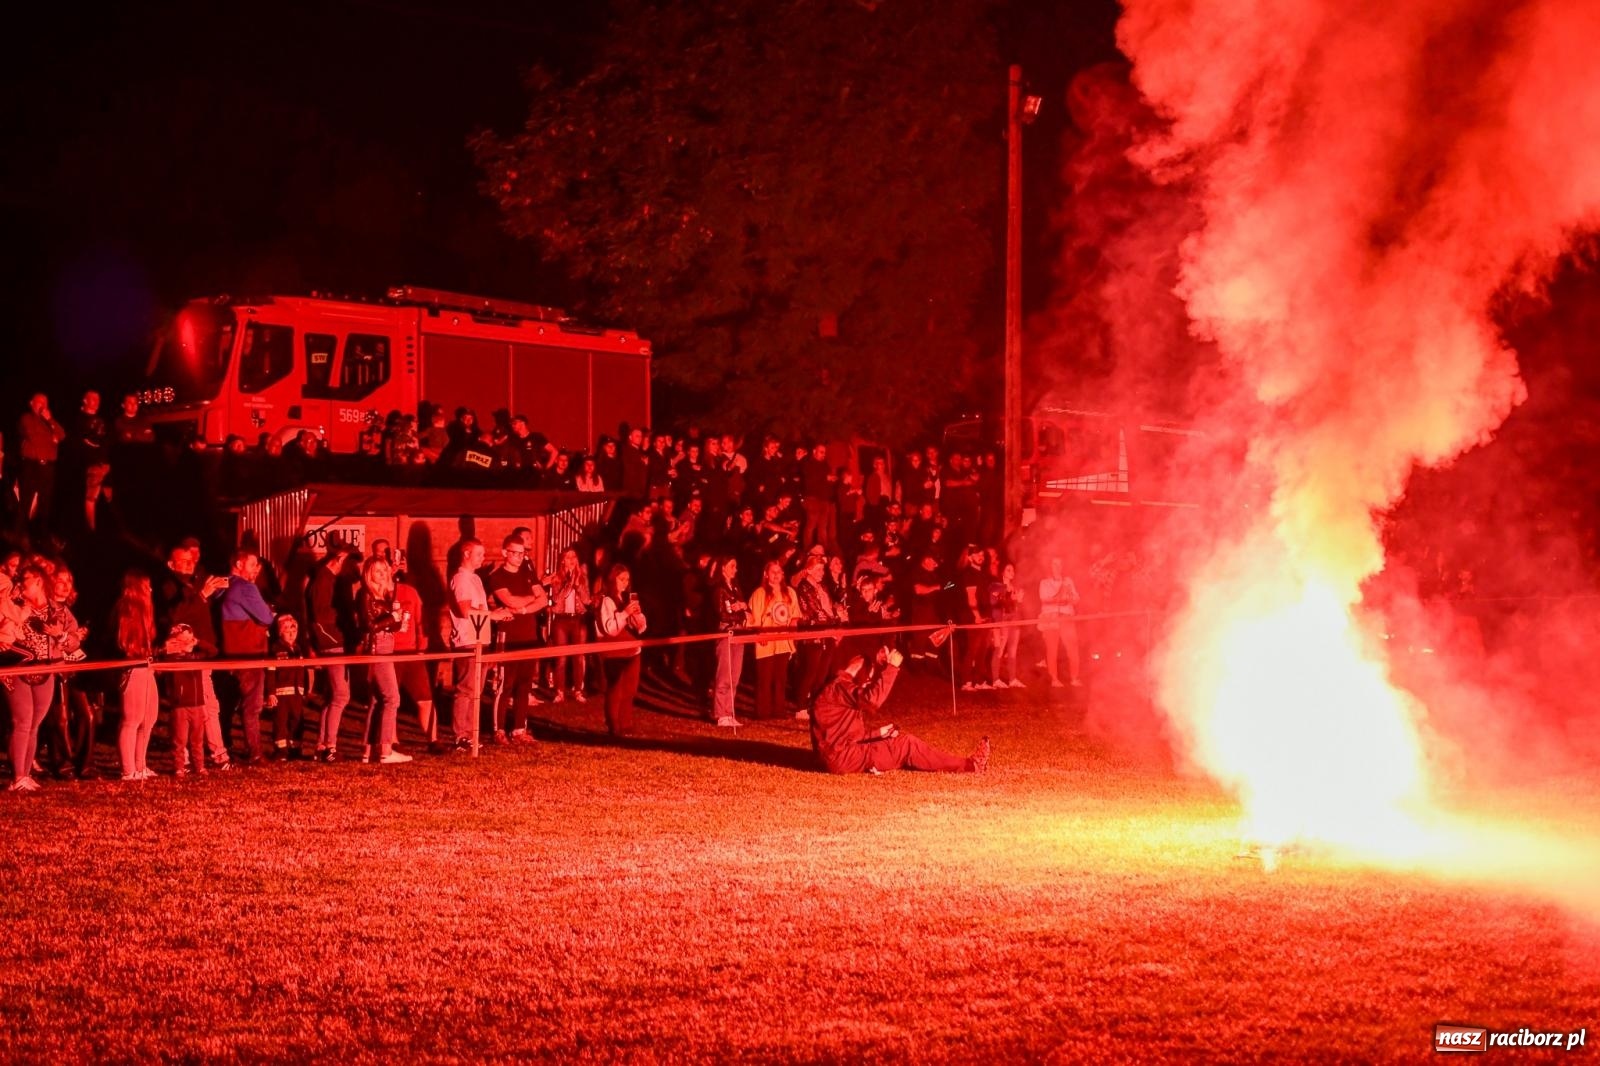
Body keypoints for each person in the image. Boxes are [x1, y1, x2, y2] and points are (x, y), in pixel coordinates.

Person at [810, 647, 989, 775]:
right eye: (868, 680)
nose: (866, 684)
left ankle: (967, 764)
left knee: (895, 741)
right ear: (859, 673)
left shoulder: (834, 688)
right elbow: (872, 700)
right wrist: (892, 668)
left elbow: (843, 737)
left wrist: (878, 734)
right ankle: (970, 765)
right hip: (844, 759)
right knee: (907, 744)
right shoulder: (840, 688)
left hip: (836, 757)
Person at [158, 538, 233, 770]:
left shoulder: (190, 583)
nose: (189, 564)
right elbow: (175, 616)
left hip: (200, 651)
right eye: (183, 561)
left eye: (191, 560)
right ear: (171, 564)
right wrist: (202, 596)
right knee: (198, 707)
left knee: (203, 707)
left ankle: (194, 756)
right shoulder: (169, 586)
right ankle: (213, 755)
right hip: (184, 656)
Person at [4, 566, 79, 792]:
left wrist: (60, 635)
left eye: (24, 579)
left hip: (46, 670)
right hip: (17, 669)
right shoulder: (12, 605)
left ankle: (25, 775)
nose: (20, 582)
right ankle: (18, 776)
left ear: (38, 581)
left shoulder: (58, 610)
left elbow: (74, 641)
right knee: (22, 721)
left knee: (34, 724)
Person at [449, 538, 513, 751]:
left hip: (480, 639)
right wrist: (492, 615)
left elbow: (479, 608)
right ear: (466, 554)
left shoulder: (475, 579)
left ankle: (471, 733)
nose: (482, 558)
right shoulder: (460, 579)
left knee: (475, 690)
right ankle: (461, 735)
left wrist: (495, 612)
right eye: (479, 554)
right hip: (467, 640)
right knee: (466, 689)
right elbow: (465, 610)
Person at [485, 535, 546, 745]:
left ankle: (519, 729)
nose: (520, 557)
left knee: (524, 685)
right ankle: (499, 729)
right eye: (515, 553)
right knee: (505, 684)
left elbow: (543, 600)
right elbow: (509, 600)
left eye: (523, 553)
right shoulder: (497, 576)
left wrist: (524, 609)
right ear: (505, 553)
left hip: (529, 636)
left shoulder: (528, 572)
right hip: (508, 636)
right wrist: (531, 599)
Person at [219, 550, 275, 763]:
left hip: (229, 652)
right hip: (249, 652)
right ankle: (255, 752)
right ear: (239, 564)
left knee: (228, 704)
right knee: (252, 706)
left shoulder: (223, 586)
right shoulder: (245, 587)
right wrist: (268, 611)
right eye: (253, 565)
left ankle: (224, 746)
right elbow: (266, 618)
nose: (256, 570)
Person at [357, 557, 412, 764]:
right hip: (377, 647)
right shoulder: (366, 594)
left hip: (385, 644)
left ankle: (368, 750)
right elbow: (369, 625)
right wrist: (392, 618)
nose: (382, 574)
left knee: (377, 700)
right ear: (368, 573)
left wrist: (398, 622)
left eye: (384, 570)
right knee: (392, 698)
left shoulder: (383, 595)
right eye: (377, 570)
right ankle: (386, 750)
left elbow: (387, 624)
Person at [306, 541, 355, 761]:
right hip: (331, 640)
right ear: (340, 558)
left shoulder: (328, 579)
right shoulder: (324, 580)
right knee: (341, 694)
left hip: (332, 638)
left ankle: (322, 745)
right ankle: (330, 746)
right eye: (350, 561)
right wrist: (341, 620)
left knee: (333, 695)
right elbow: (319, 615)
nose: (353, 568)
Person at [112, 570, 160, 781]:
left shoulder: (147, 612)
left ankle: (140, 765)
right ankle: (128, 769)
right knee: (132, 718)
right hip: (133, 667)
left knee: (149, 717)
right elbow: (126, 643)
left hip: (146, 666)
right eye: (146, 586)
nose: (150, 590)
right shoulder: (127, 610)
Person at [595, 563, 647, 736]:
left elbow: (641, 628)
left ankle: (626, 723)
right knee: (616, 689)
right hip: (614, 651)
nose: (625, 583)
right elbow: (610, 629)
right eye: (621, 579)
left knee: (630, 690)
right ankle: (614, 725)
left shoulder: (628, 599)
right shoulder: (606, 601)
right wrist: (624, 613)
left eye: (627, 579)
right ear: (612, 579)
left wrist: (637, 615)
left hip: (632, 650)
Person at [747, 558, 798, 720]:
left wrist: (793, 627)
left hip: (783, 641)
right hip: (766, 641)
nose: (776, 575)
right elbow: (753, 618)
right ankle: (762, 712)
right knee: (765, 678)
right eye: (773, 572)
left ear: (783, 574)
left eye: (779, 572)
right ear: (766, 574)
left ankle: (779, 711)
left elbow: (795, 615)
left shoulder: (790, 592)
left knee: (780, 678)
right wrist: (760, 634)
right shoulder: (759, 593)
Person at [15, 392, 66, 541]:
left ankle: (41, 535)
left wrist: (50, 420)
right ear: (31, 403)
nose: (42, 405)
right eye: (39, 402)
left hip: (47, 467)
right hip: (31, 465)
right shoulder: (26, 418)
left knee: (45, 502)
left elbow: (62, 435)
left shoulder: (49, 421)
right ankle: (19, 535)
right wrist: (51, 438)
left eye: (45, 403)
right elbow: (34, 436)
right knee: (26, 500)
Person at [547, 547, 591, 703]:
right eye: (568, 557)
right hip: (561, 620)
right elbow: (557, 600)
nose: (572, 560)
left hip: (578, 619)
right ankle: (559, 691)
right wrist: (568, 583)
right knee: (561, 658)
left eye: (574, 556)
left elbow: (586, 600)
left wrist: (577, 585)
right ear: (562, 561)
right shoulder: (556, 579)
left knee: (579, 657)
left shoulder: (582, 577)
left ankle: (578, 690)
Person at [710, 556, 749, 727]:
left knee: (735, 675)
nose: (735, 570)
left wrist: (742, 607)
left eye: (736, 566)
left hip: (739, 631)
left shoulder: (735, 587)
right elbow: (722, 613)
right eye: (732, 566)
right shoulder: (719, 589)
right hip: (726, 631)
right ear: (723, 567)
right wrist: (738, 612)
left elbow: (744, 608)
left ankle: (730, 711)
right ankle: (720, 713)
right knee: (724, 674)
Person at [265, 614, 311, 759]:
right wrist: (271, 693)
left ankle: (295, 748)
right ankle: (281, 751)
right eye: (287, 631)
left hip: (297, 692)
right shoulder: (275, 649)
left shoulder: (298, 649)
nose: (291, 634)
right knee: (280, 722)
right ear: (280, 632)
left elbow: (304, 671)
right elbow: (270, 672)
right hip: (281, 693)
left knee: (297, 720)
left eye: (294, 631)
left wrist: (306, 689)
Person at [1038, 555, 1083, 687]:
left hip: (1067, 617)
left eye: (1060, 564)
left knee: (1073, 648)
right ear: (1050, 567)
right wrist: (1062, 596)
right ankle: (1054, 679)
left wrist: (1070, 598)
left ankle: (1074, 678)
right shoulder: (1044, 583)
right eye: (1054, 564)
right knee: (1052, 649)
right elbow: (1044, 599)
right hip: (1051, 618)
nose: (1057, 567)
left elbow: (1076, 598)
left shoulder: (1068, 581)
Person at [987, 562, 1025, 688]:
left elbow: (1016, 606)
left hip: (1014, 620)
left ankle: (1012, 679)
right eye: (1008, 570)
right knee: (999, 649)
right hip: (1002, 620)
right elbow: (995, 603)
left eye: (1013, 570)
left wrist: (1019, 600)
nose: (1012, 572)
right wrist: (1011, 599)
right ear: (1002, 572)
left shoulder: (1015, 587)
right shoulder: (996, 586)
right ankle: (996, 679)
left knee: (1012, 650)